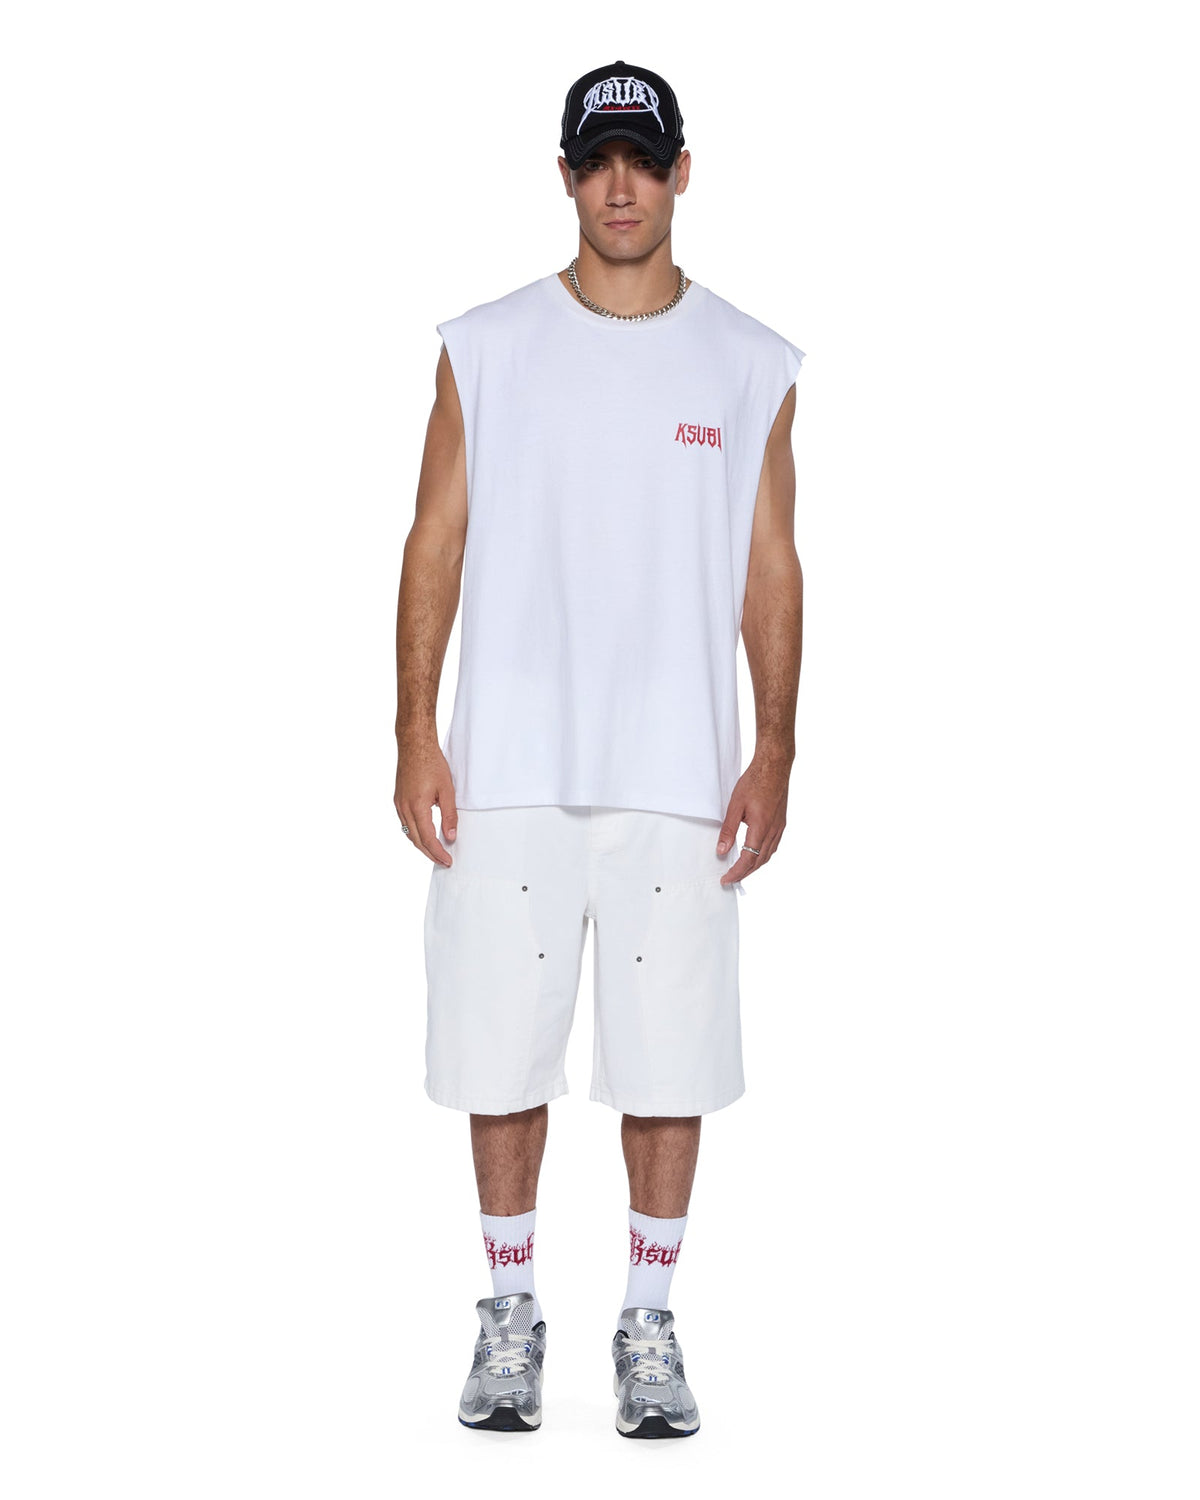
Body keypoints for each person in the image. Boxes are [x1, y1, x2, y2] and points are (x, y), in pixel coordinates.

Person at [393, 59, 805, 1438]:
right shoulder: (486, 346)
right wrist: (414, 728)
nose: (620, 187)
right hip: (508, 761)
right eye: (596, 162)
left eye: (643, 160)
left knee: (669, 1060)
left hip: (679, 773)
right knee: (497, 1057)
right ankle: (510, 1316)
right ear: (566, 177)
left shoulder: (750, 362)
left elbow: (770, 567)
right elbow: (434, 541)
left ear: (682, 172)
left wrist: (774, 750)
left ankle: (648, 1324)